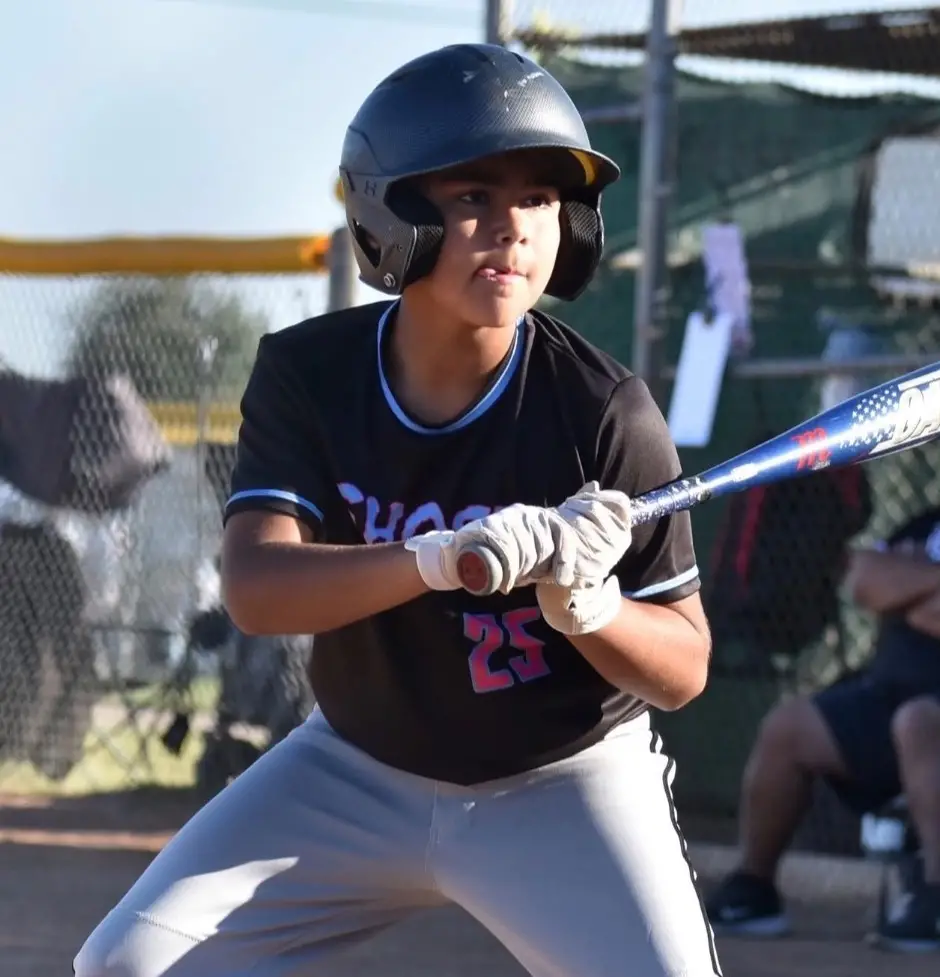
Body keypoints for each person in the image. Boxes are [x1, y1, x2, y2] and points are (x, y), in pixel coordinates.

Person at [73, 44, 719, 977]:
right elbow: (256, 588)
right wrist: (440, 557)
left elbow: (684, 666)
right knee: (128, 964)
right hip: (354, 770)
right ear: (392, 220)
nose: (513, 228)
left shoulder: (603, 410)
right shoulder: (310, 373)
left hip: (563, 779)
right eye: (474, 197)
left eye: (540, 199)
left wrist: (590, 607)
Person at [706, 503, 940, 953]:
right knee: (789, 727)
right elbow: (864, 580)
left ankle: (935, 895)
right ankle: (753, 889)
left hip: (928, 714)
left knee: (918, 722)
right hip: (885, 696)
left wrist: (910, 580)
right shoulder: (928, 522)